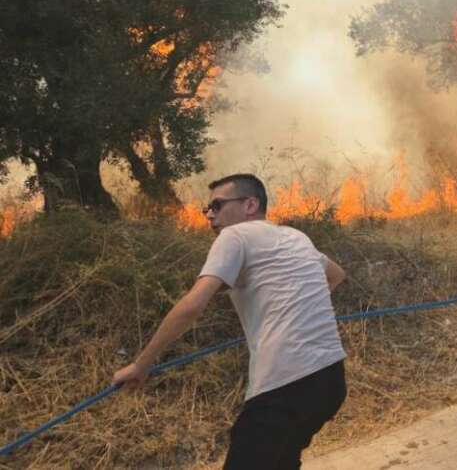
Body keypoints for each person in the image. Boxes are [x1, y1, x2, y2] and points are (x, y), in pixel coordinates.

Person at [113, 173, 348, 470]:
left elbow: (192, 307)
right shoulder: (295, 236)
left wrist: (141, 365)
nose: (210, 215)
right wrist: (297, 309)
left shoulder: (235, 235)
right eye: (207, 209)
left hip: (285, 384)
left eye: (218, 205)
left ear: (250, 204)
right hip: (330, 381)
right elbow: (336, 275)